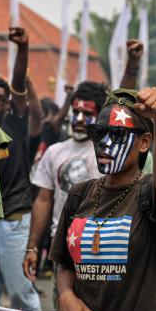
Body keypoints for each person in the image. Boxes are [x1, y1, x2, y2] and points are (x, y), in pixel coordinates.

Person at [49, 86, 156, 311]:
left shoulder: (151, 194)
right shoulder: (79, 195)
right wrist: (66, 296)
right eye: (99, 133)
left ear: (144, 142)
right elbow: (65, 264)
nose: (105, 144)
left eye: (118, 135)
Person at [0, 27, 42, 311]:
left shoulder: (15, 123)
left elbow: (18, 86)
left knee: (20, 294)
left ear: (7, 104)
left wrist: (23, 49)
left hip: (13, 221)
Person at [23, 81, 107, 281]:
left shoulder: (108, 151)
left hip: (101, 245)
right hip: (63, 244)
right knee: (64, 305)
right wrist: (33, 247)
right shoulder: (54, 152)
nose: (79, 119)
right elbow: (43, 200)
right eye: (75, 111)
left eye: (87, 114)